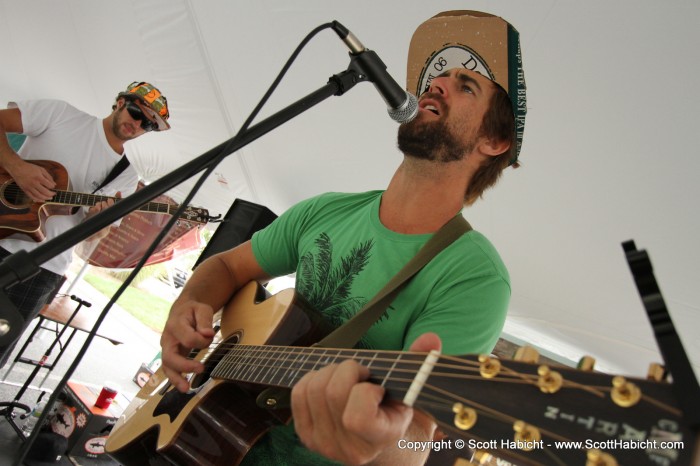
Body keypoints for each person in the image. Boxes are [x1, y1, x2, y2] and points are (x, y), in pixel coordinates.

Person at [160, 65, 520, 466]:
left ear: (494, 141)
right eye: (437, 78)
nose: (435, 84)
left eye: (465, 87)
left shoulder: (475, 276)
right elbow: (228, 267)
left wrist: (381, 442)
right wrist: (189, 302)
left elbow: (417, 436)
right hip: (198, 437)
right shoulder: (326, 210)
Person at [0, 81, 171, 368]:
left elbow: (95, 235)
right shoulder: (61, 114)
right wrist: (18, 167)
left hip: (41, 267)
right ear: (119, 102)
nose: (138, 124)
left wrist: (96, 222)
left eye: (148, 125)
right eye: (135, 112)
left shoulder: (126, 176)